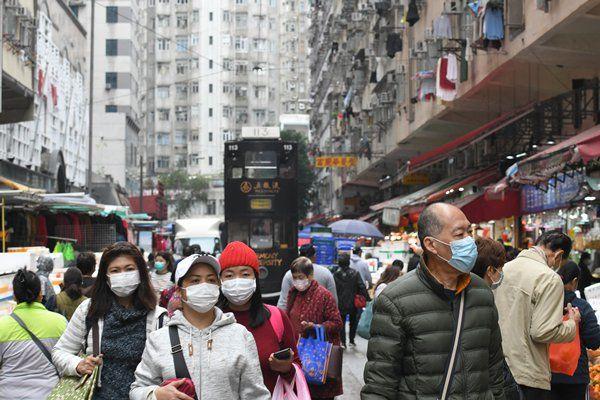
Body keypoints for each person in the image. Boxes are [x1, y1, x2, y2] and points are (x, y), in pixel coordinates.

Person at [362, 203, 505, 399]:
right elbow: (380, 385)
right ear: (431, 245)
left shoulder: (482, 292)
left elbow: (495, 367)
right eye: (459, 234)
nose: (469, 241)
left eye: (468, 232)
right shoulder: (395, 299)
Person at [130, 252, 271, 400]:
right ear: (179, 291)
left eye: (211, 280)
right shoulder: (158, 339)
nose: (204, 285)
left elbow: (257, 395)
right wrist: (156, 394)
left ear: (218, 286)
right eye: (195, 281)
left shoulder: (240, 335)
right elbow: (137, 389)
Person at [53, 242, 166, 400]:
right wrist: (77, 365)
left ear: (140, 272)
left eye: (129, 269)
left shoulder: (159, 317)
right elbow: (60, 352)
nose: (123, 274)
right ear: (106, 277)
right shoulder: (88, 310)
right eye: (115, 270)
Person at [495, 231, 580, 399]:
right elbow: (543, 331)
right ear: (559, 255)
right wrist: (572, 323)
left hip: (499, 368)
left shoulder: (505, 269)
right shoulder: (549, 278)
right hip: (527, 373)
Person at [218, 241, 301, 394]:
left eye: (245, 274)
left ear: (255, 278)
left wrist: (287, 369)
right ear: (220, 281)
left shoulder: (276, 318)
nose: (237, 280)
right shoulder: (211, 322)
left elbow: (296, 369)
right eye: (229, 275)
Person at [0, 268, 66, 399]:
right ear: (40, 294)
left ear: (14, 296)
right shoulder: (60, 322)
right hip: (48, 394)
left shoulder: (2, 325)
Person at [473, 237, 522, 400]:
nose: (501, 273)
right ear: (490, 271)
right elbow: (492, 359)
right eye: (500, 269)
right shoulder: (482, 302)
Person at [287, 257, 343, 399]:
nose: (298, 281)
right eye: (295, 277)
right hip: (298, 354)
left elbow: (337, 322)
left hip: (319, 356)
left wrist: (317, 327)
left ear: (310, 276)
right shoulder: (293, 293)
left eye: (301, 277)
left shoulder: (324, 295)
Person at [550, 262, 600, 400]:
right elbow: (594, 341)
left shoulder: (547, 305)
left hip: (548, 375)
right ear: (575, 281)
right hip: (576, 377)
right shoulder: (582, 307)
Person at [277, 243, 337, 309]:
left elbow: (283, 303)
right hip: (320, 316)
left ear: (299, 257)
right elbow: (333, 301)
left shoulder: (289, 274)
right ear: (314, 256)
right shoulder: (326, 273)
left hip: (296, 316)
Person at [333, 253, 369, 348]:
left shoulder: (335, 274)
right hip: (353, 303)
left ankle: (343, 342)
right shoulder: (355, 273)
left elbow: (333, 289)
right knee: (353, 322)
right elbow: (362, 287)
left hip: (340, 303)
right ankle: (352, 341)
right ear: (348, 263)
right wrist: (367, 298)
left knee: (342, 323)